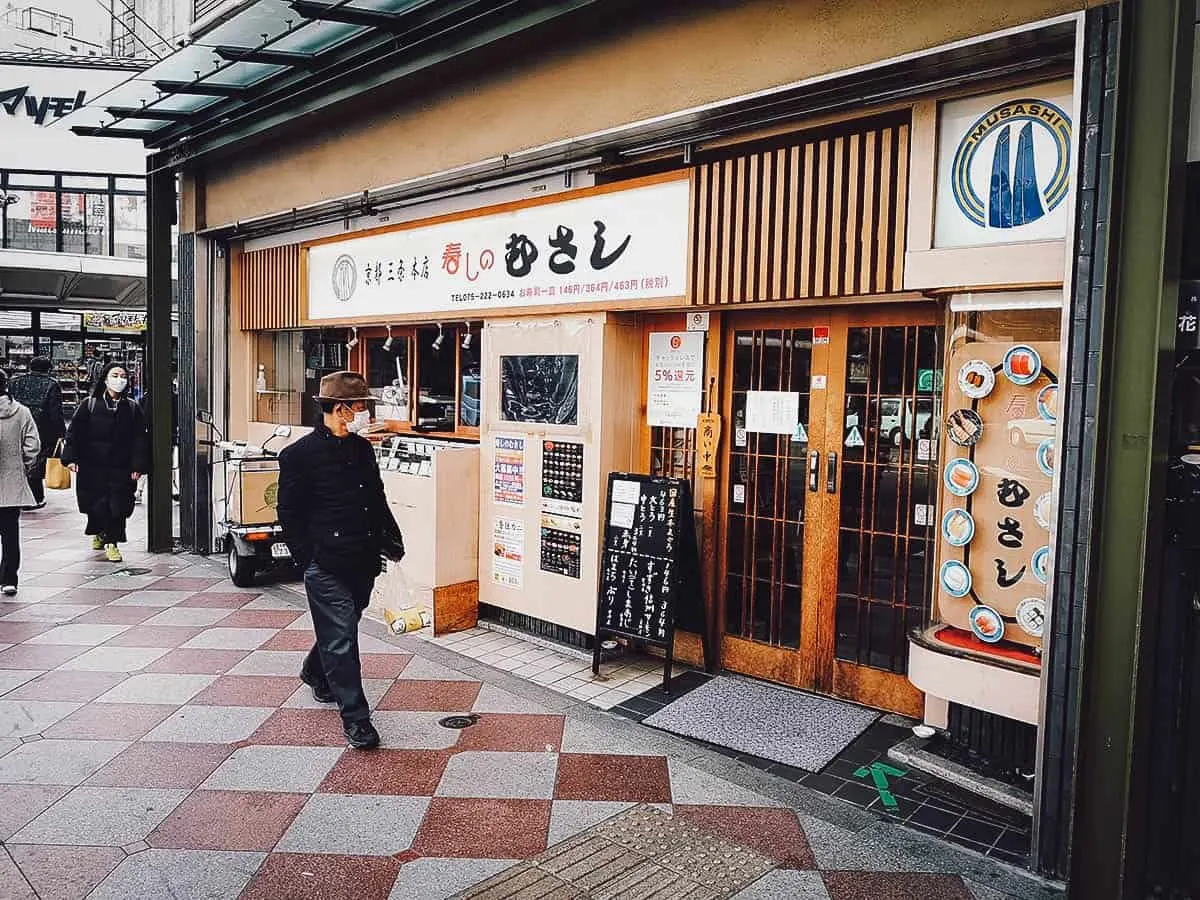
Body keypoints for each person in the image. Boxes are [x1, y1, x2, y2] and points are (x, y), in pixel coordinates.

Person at [277, 371, 405, 750]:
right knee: (343, 640)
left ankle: (315, 672)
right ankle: (357, 720)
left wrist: (391, 539)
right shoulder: (299, 455)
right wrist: (308, 561)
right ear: (338, 408)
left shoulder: (363, 450)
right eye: (359, 405)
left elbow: (376, 500)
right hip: (327, 564)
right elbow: (289, 513)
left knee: (343, 628)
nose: (364, 411)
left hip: (364, 559)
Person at [61, 362, 149, 563]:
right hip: (93, 465)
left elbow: (139, 438)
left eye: (123, 376)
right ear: (106, 378)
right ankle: (98, 531)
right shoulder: (89, 405)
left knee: (117, 505)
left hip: (121, 465)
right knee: (96, 504)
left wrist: (138, 466)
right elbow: (74, 432)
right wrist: (71, 458)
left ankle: (112, 542)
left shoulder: (133, 408)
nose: (119, 380)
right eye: (115, 375)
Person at [0, 369, 41, 595]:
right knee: (10, 533)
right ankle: (9, 579)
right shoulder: (21, 411)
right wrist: (23, 465)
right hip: (11, 481)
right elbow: (32, 445)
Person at [9, 356, 65, 509]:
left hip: (16, 425)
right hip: (42, 428)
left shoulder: (15, 382)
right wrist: (61, 433)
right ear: (48, 369)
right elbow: (56, 413)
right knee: (37, 461)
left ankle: (18, 495)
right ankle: (34, 497)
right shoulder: (52, 385)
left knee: (17, 459)